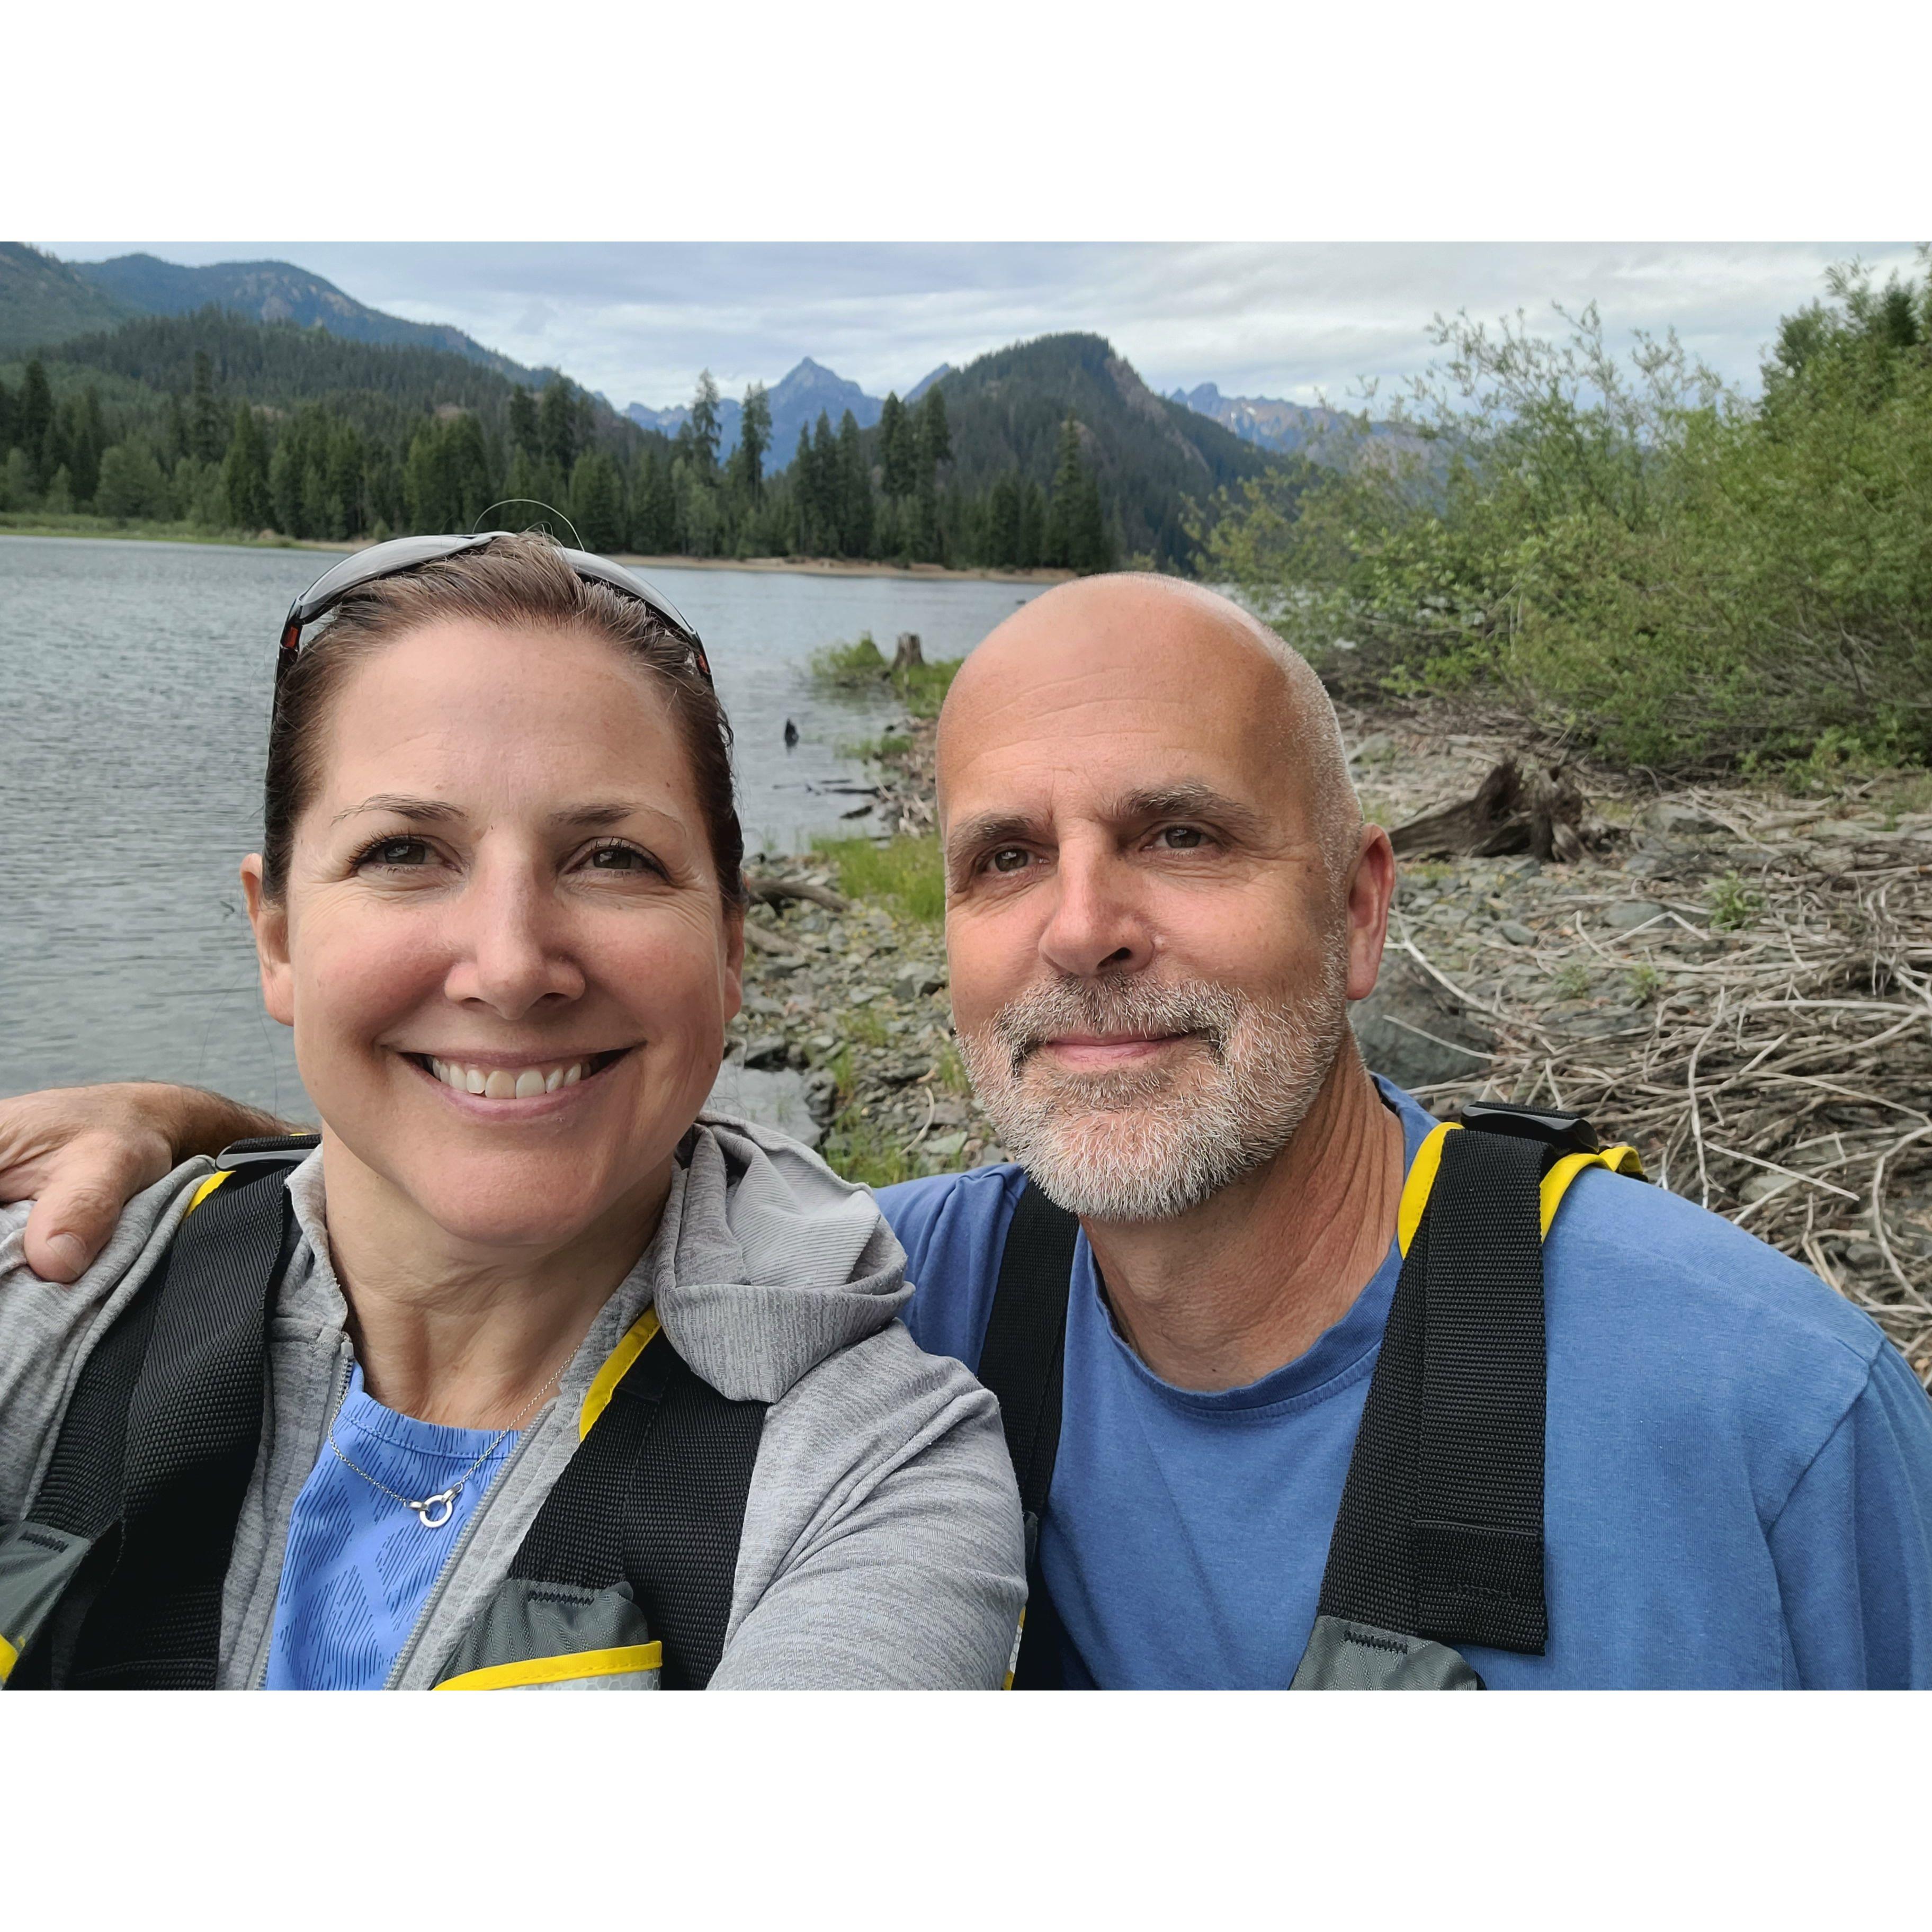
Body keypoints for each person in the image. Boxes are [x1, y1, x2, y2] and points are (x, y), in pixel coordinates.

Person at [10, 573, 1932, 1688]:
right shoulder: (901, 1275)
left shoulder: (1764, 1412)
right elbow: (524, 1182)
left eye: (1179, 834)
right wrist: (199, 1145)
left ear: (1358, 911)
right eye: (1004, 857)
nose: (1083, 928)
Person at [0, 531, 1024, 1691]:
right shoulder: (62, 1296)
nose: (511, 964)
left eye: (614, 858)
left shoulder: (874, 1480)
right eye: (405, 851)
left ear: (732, 948)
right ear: (275, 936)